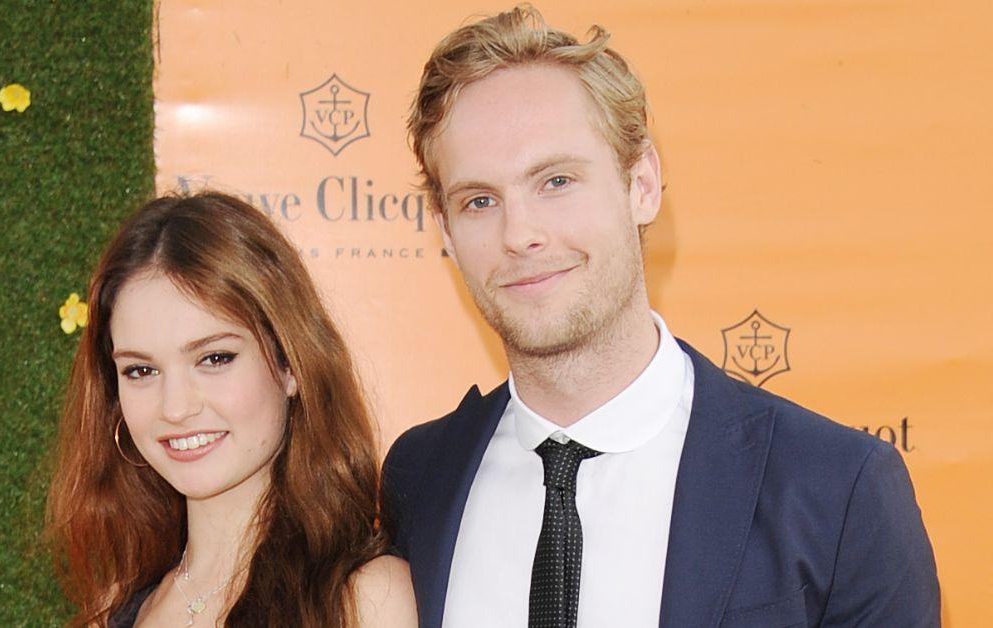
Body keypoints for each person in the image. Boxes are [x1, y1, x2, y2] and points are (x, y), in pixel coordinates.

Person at [381, 5, 939, 628]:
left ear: (641, 183)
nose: (521, 234)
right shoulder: (418, 477)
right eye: (479, 200)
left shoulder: (836, 488)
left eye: (557, 181)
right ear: (446, 232)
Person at [46, 193, 416, 627]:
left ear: (290, 364)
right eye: (141, 370)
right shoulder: (113, 609)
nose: (176, 407)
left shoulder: (364, 599)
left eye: (214, 359)